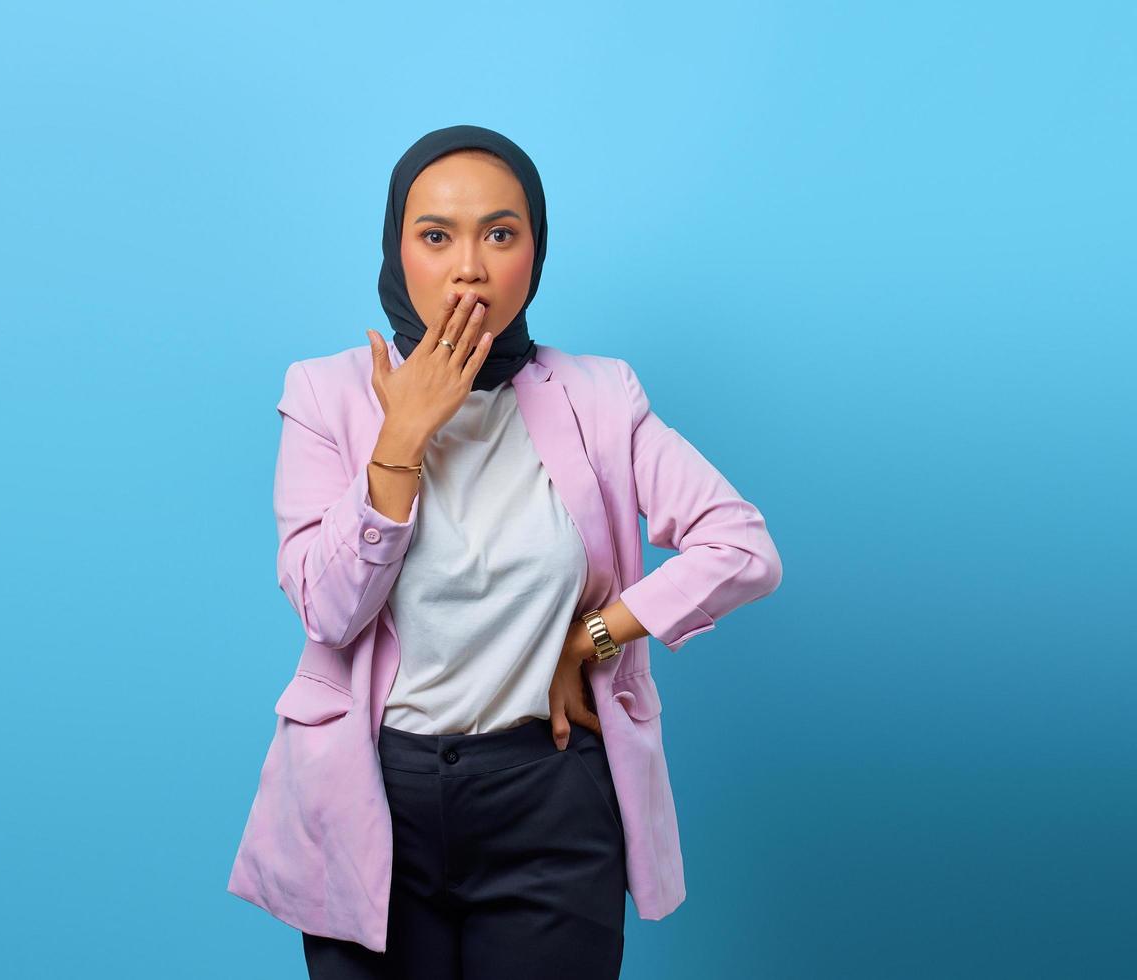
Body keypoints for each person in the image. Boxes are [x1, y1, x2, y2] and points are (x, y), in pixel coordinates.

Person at [228, 125, 784, 979]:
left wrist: (590, 637)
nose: (468, 268)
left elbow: (741, 547)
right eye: (435, 236)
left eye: (499, 233)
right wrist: (401, 438)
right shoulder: (326, 394)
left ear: (534, 250)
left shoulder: (600, 396)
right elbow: (328, 611)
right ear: (396, 248)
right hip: (371, 797)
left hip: (549, 801)